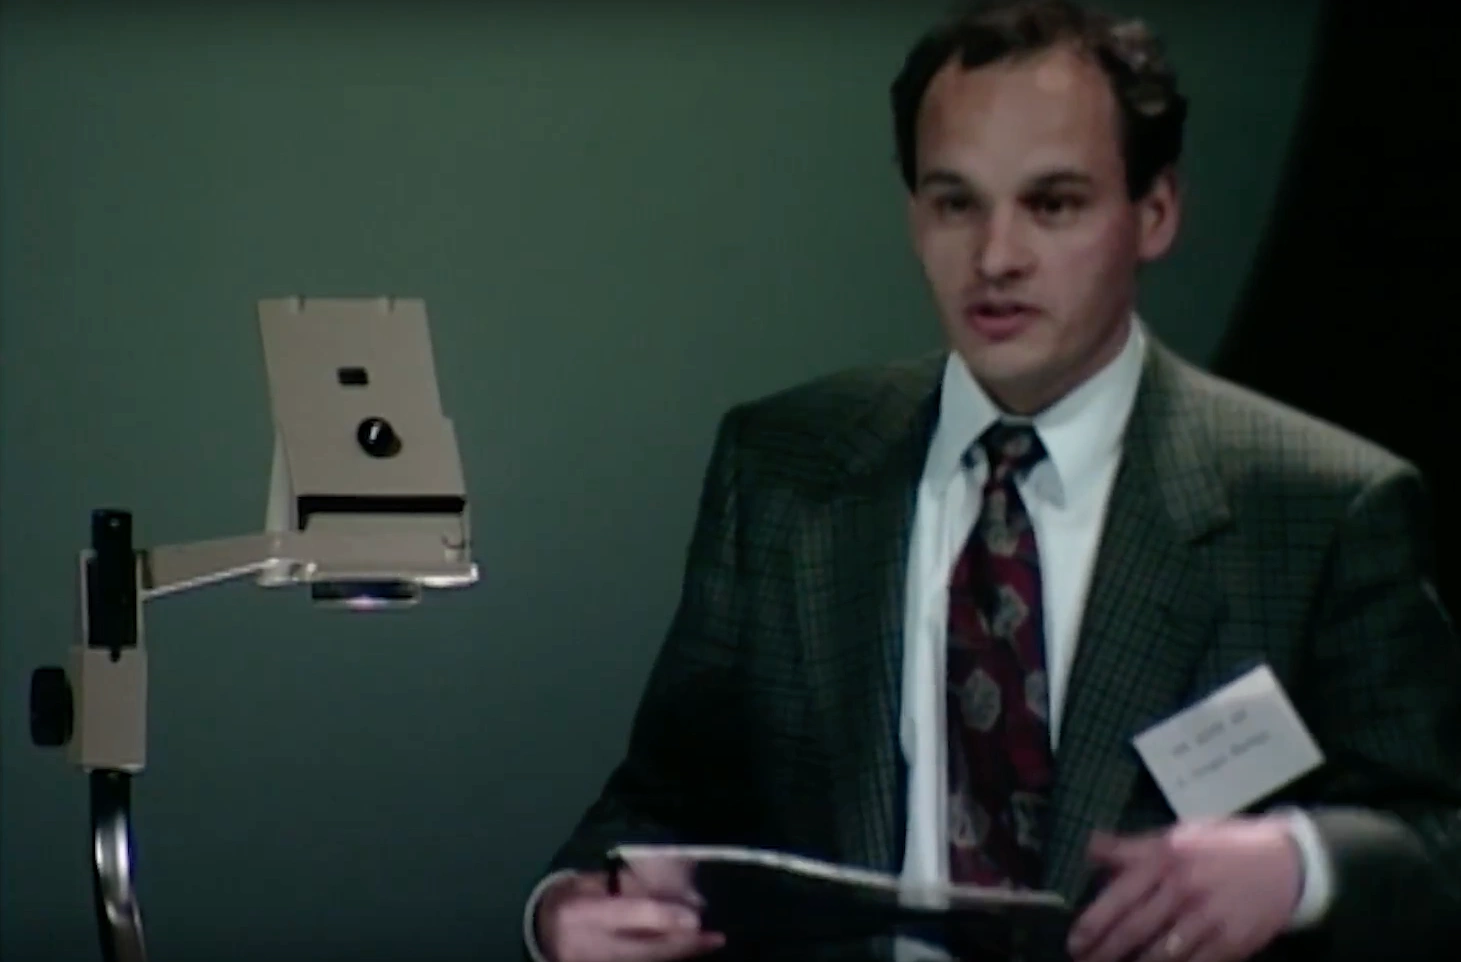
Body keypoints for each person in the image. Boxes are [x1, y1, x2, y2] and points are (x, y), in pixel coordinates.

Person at [521, 1, 1461, 960]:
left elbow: (1438, 845)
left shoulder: (1320, 506)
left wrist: (1300, 864)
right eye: (955, 202)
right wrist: (563, 910)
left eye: (1051, 204)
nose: (995, 258)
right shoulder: (780, 468)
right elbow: (665, 797)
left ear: (1154, 212)